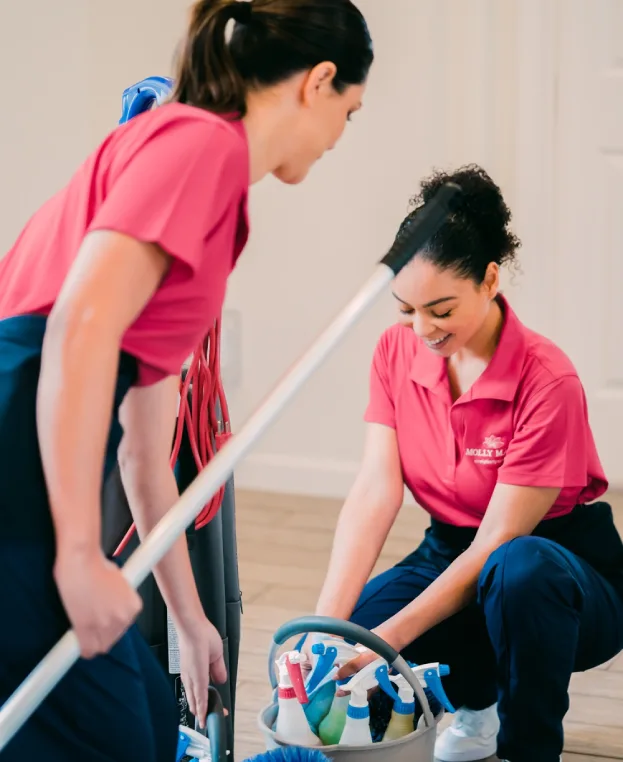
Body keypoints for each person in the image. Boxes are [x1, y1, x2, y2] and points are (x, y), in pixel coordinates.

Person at [0, 1, 373, 760]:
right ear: (319, 81)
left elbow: (144, 448)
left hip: (30, 470)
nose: (341, 137)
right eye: (350, 112)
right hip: (11, 470)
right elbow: (77, 329)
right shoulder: (199, 148)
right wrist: (78, 553)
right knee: (111, 735)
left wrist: (187, 616)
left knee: (140, 706)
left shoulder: (211, 184)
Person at [314, 164, 623, 762]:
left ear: (489, 280)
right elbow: (376, 491)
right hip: (452, 547)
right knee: (353, 643)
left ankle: (527, 744)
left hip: (559, 571)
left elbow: (497, 548)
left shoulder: (547, 379)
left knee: (514, 573)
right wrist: (328, 627)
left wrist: (390, 640)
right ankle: (474, 704)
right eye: (406, 309)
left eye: (441, 309)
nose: (422, 329)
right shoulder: (394, 350)